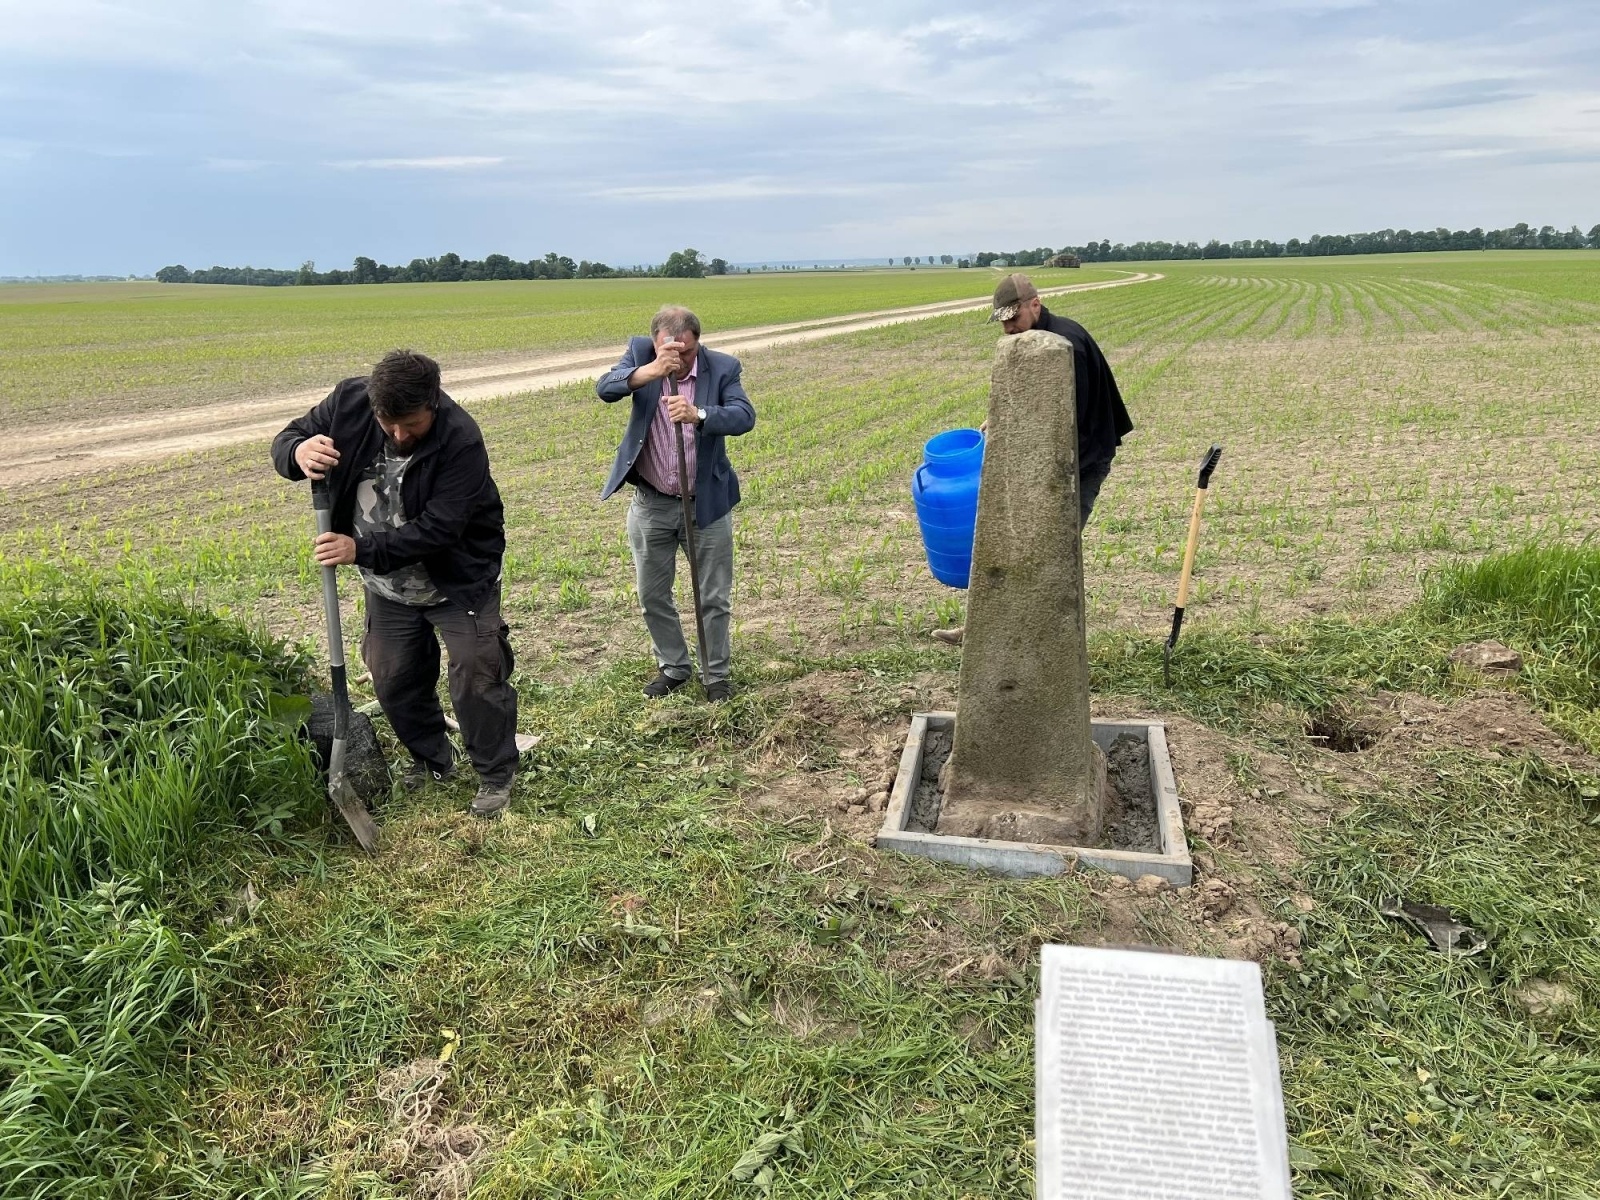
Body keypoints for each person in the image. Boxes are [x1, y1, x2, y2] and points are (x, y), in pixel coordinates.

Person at [271, 349, 520, 817]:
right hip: (388, 588)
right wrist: (297, 451)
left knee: (476, 675)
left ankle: (495, 773)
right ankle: (431, 759)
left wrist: (360, 550)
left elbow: (442, 528)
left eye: (413, 426)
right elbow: (288, 438)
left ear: (434, 403)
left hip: (457, 580)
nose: (400, 435)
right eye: (390, 425)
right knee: (392, 677)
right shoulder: (349, 400)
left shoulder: (461, 439)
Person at [933, 272, 1133, 645]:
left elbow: (1062, 421)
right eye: (1004, 320)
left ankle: (1041, 645)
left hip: (1079, 465)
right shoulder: (1036, 341)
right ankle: (988, 632)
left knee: (1049, 552)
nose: (1009, 327)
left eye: (1015, 317)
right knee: (1015, 548)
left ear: (1035, 305)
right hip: (1053, 463)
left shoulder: (1065, 346)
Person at [596, 305, 756, 701]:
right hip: (651, 503)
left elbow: (743, 416)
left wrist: (699, 413)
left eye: (686, 352)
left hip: (706, 505)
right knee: (652, 594)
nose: (680, 360)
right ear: (654, 343)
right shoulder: (640, 355)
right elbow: (605, 388)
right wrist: (650, 372)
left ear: (698, 343)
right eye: (671, 351)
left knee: (713, 596)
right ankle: (674, 667)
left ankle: (715, 675)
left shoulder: (722, 367)